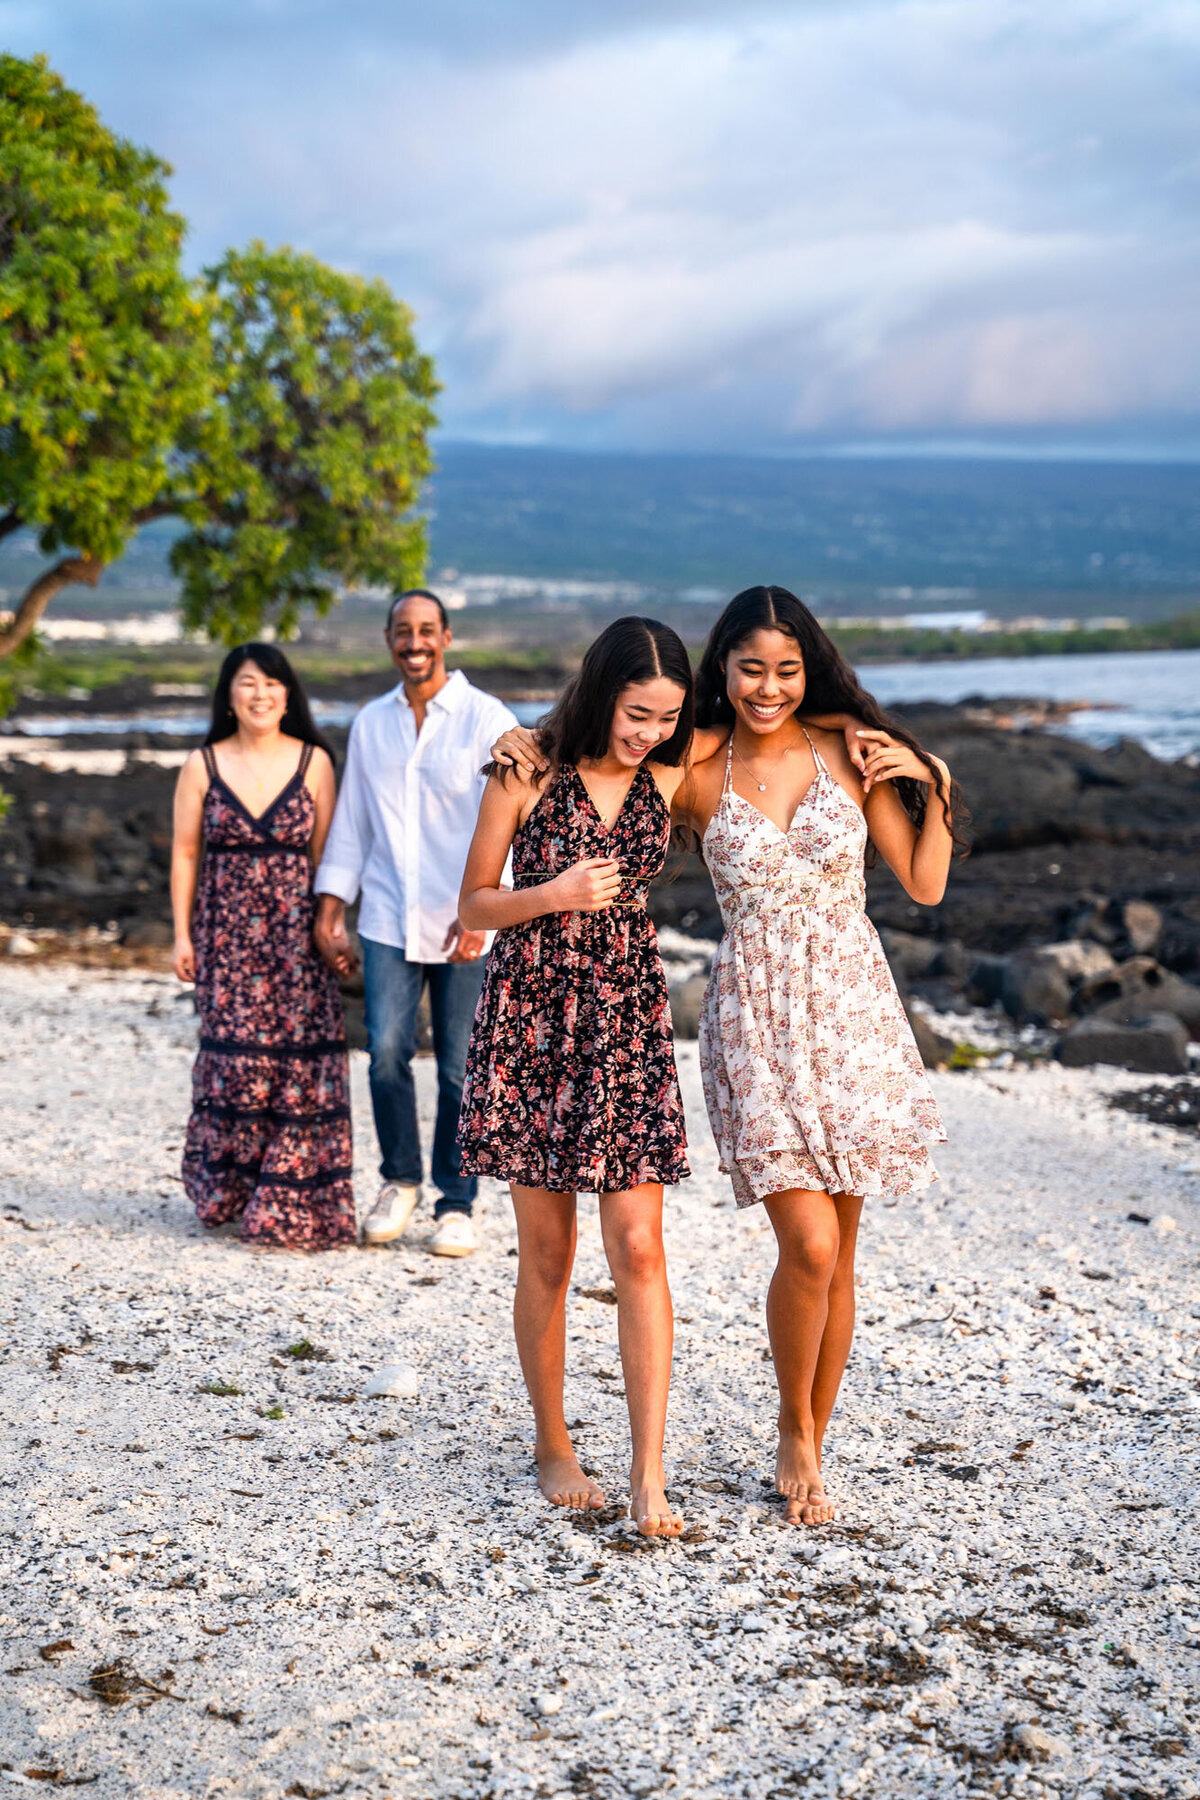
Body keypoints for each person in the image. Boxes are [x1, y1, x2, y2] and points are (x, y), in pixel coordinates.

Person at [492, 586, 960, 1526]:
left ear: (809, 668)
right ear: (723, 670)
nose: (769, 687)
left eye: (787, 669)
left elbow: (925, 880)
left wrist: (932, 775)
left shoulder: (846, 749)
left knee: (842, 1253)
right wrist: (529, 744)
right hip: (755, 1017)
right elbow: (607, 751)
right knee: (811, 1242)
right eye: (750, 668)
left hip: (854, 1010)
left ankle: (808, 1441)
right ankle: (790, 1423)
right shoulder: (698, 760)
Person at [457, 617, 693, 1536]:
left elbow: (781, 722)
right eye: (638, 713)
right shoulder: (526, 768)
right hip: (532, 1022)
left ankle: (648, 1469)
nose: (650, 733)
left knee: (638, 1248)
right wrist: (549, 895)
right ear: (603, 691)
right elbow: (473, 899)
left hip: (627, 1022)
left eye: (668, 717)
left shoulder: (671, 773)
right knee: (548, 1258)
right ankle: (553, 1442)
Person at [313, 589, 517, 1258]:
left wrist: (488, 908)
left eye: (426, 630)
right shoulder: (371, 723)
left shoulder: (488, 718)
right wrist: (330, 905)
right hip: (386, 918)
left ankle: (456, 1201)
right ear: (388, 639)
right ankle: (398, 1180)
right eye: (403, 631)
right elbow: (353, 823)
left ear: (447, 637)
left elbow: (515, 825)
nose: (415, 641)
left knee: (460, 1066)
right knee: (387, 1054)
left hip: (464, 919)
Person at [171, 644, 356, 1251]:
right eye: (248, 683)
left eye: (273, 684)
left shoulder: (315, 763)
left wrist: (332, 928)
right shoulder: (202, 764)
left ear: (288, 694)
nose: (261, 695)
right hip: (224, 938)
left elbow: (327, 859)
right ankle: (229, 1189)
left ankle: (287, 1198)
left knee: (297, 1067)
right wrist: (181, 934)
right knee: (234, 1068)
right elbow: (185, 854)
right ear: (229, 694)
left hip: (296, 942)